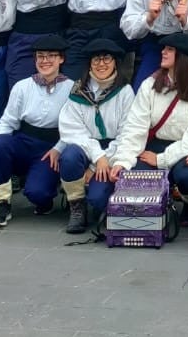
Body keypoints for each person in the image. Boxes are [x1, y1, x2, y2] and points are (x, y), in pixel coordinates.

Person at [108, 33, 188, 227]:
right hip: (156, 144)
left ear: (182, 56)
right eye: (164, 48)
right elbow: (135, 127)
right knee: (136, 174)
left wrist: (161, 160)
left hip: (187, 148)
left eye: (169, 49)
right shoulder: (149, 84)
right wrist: (122, 161)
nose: (163, 52)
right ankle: (155, 207)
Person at [0, 36, 73, 228]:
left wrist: (59, 148)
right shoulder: (22, 86)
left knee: (38, 193)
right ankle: (2, 203)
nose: (45, 60)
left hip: (51, 148)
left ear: (61, 59)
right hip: (24, 141)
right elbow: (8, 122)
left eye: (51, 56)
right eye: (40, 56)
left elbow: (75, 128)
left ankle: (46, 199)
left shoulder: (72, 89)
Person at [56, 31, 136, 236]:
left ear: (115, 62)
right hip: (87, 149)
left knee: (98, 200)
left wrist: (104, 160)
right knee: (70, 156)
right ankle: (76, 206)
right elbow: (72, 131)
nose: (101, 64)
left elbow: (128, 133)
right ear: (89, 64)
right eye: (96, 59)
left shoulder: (125, 91)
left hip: (114, 152)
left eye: (107, 58)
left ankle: (97, 200)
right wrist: (97, 158)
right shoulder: (78, 91)